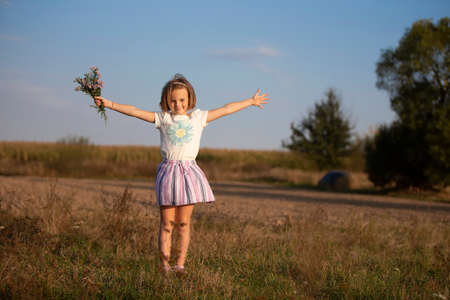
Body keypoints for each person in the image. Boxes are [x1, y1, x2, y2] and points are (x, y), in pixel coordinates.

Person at [94, 73, 269, 274]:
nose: (178, 104)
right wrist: (109, 104)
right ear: (166, 101)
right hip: (168, 173)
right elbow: (134, 111)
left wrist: (251, 101)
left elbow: (226, 109)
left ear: (189, 99)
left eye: (182, 100)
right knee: (167, 223)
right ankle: (165, 266)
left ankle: (180, 264)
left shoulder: (199, 118)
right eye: (173, 100)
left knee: (184, 223)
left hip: (188, 173)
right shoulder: (163, 118)